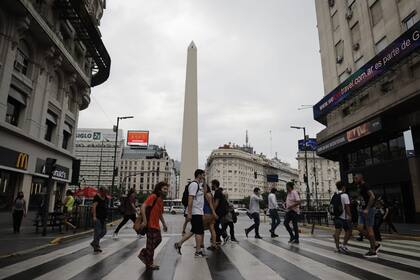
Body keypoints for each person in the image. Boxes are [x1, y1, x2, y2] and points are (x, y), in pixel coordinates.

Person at [174, 169, 206, 257]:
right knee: (199, 232)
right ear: (199, 175)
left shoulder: (199, 185)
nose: (204, 176)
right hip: (195, 212)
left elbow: (205, 192)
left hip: (198, 211)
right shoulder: (194, 184)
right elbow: (190, 199)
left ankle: (179, 244)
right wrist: (189, 213)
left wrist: (205, 181)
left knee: (193, 231)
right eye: (203, 175)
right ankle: (198, 251)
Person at [138, 182, 168, 270]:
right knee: (151, 245)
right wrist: (145, 220)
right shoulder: (153, 197)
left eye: (167, 189)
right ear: (159, 190)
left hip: (156, 225)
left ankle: (144, 253)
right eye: (164, 189)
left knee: (158, 240)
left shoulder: (161, 200)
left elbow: (160, 214)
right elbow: (143, 206)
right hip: (150, 225)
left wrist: (164, 224)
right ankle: (149, 263)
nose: (166, 191)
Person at [354, 173, 380, 258]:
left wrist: (368, 208)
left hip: (368, 210)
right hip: (362, 210)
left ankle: (373, 251)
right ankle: (375, 244)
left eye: (356, 178)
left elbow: (372, 196)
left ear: (361, 178)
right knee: (359, 228)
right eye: (355, 178)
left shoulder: (365, 185)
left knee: (370, 230)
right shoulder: (359, 187)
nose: (355, 180)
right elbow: (361, 198)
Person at [332, 181, 352, 253]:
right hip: (344, 217)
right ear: (343, 187)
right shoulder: (345, 195)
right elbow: (347, 207)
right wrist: (350, 215)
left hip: (337, 216)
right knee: (349, 231)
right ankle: (344, 245)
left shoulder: (335, 195)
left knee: (337, 233)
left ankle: (337, 248)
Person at [91, 187, 108, 253]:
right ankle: (96, 246)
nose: (105, 194)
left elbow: (105, 207)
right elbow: (94, 207)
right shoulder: (97, 197)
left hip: (103, 217)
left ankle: (94, 242)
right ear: (101, 191)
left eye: (106, 192)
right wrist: (94, 216)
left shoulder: (106, 198)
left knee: (104, 231)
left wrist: (106, 216)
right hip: (97, 217)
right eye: (104, 192)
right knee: (97, 232)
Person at [212, 179, 229, 244]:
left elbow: (216, 203)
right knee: (215, 225)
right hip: (221, 211)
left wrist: (212, 211)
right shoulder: (219, 191)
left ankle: (225, 235)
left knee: (215, 226)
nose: (211, 186)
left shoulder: (217, 192)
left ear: (214, 185)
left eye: (212, 185)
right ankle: (218, 239)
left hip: (219, 212)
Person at [203, 184, 219, 250]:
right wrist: (214, 214)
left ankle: (201, 244)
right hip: (211, 215)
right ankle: (214, 244)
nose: (202, 189)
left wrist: (214, 213)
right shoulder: (211, 194)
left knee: (201, 229)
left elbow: (210, 205)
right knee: (212, 230)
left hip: (207, 214)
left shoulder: (207, 195)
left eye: (203, 188)